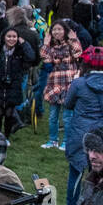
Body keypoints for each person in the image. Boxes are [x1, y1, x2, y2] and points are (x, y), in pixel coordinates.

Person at [60, 46, 103, 205]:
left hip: (81, 132)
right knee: (101, 174)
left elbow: (68, 104)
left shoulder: (79, 84)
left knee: (76, 172)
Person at [0, 27, 36, 137]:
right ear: (4, 37)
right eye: (9, 36)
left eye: (14, 37)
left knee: (9, 113)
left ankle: (6, 136)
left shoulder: (19, 51)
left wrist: (24, 43)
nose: (11, 39)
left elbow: (31, 57)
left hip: (13, 85)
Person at [40, 20, 82, 150]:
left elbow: (78, 53)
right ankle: (53, 140)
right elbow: (45, 58)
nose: (56, 32)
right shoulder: (52, 47)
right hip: (55, 82)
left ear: (65, 31)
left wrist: (73, 39)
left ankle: (66, 142)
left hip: (69, 82)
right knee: (53, 115)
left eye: (59, 29)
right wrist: (46, 44)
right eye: (54, 29)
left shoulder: (70, 44)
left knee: (67, 116)